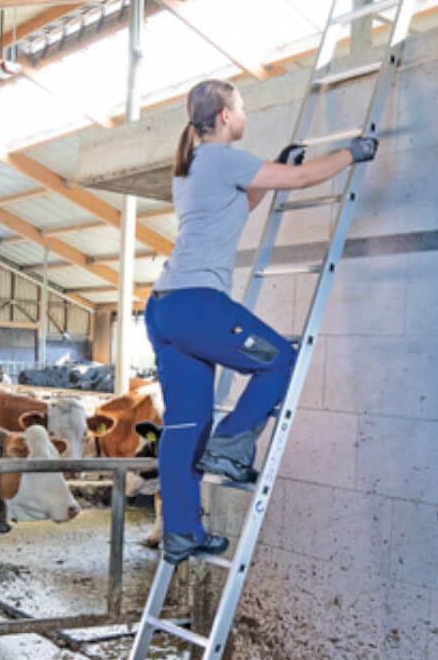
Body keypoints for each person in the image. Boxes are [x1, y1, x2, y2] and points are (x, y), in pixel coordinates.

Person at [145, 79, 378, 564]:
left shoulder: (191, 166)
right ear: (225, 116)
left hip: (164, 307)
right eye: (242, 106)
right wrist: (351, 154)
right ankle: (231, 447)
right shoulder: (218, 156)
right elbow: (299, 182)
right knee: (280, 361)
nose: (244, 113)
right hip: (196, 303)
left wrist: (274, 171)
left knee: (186, 423)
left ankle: (182, 532)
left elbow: (240, 205)